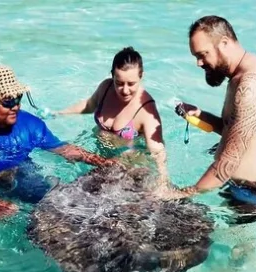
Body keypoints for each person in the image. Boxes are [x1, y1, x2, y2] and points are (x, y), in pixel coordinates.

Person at [0, 64, 118, 237]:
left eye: (18, 98)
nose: (16, 106)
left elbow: (63, 149)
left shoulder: (28, 124)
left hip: (15, 171)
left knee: (58, 202)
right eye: (8, 101)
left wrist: (101, 162)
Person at [161, 16, 256, 224]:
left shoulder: (250, 86)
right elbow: (236, 130)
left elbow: (228, 164)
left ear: (224, 43)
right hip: (249, 188)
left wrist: (182, 193)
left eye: (203, 55)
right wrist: (201, 115)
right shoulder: (243, 75)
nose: (198, 63)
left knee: (237, 245)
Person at [56, 47, 170, 186]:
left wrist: (163, 182)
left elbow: (157, 150)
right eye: (119, 83)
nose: (125, 90)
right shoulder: (105, 88)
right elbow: (89, 105)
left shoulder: (146, 110)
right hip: (99, 158)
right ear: (112, 76)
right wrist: (60, 113)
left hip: (127, 166)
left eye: (131, 84)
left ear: (141, 76)